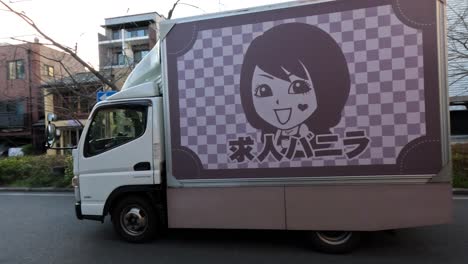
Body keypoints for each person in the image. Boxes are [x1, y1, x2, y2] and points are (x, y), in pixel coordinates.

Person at [240, 22, 351, 149]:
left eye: (298, 87)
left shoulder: (320, 139)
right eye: (264, 90)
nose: (279, 101)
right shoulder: (267, 141)